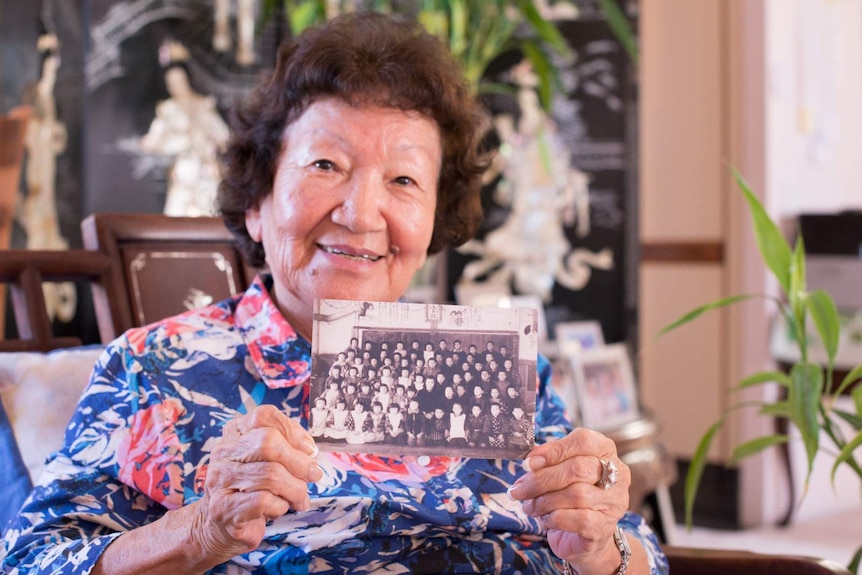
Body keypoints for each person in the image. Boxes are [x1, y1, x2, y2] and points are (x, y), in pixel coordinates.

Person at [0, 12, 668, 575]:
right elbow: (31, 558)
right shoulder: (155, 368)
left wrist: (601, 544)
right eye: (327, 165)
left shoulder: (492, 368)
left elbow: (644, 556)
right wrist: (204, 527)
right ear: (258, 200)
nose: (361, 213)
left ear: (435, 219)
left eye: (404, 180)